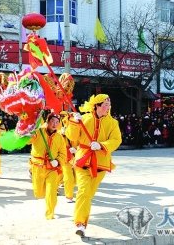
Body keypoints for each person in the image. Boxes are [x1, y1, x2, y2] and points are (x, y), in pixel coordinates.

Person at [66, 94, 122, 237]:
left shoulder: (113, 123)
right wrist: (73, 122)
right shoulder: (84, 119)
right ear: (96, 105)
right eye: (105, 103)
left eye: (109, 103)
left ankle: (82, 217)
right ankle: (80, 223)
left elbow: (116, 140)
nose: (108, 106)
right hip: (82, 161)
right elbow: (72, 137)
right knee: (83, 192)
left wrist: (102, 145)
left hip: (100, 164)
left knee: (88, 195)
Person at [29, 112, 66, 220]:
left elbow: (63, 153)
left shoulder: (59, 137)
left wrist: (58, 161)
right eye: (52, 121)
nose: (54, 124)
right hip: (38, 166)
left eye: (57, 122)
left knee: (51, 191)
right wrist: (28, 133)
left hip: (52, 168)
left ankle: (50, 213)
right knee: (39, 193)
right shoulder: (38, 132)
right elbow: (28, 141)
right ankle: (46, 198)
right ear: (47, 122)